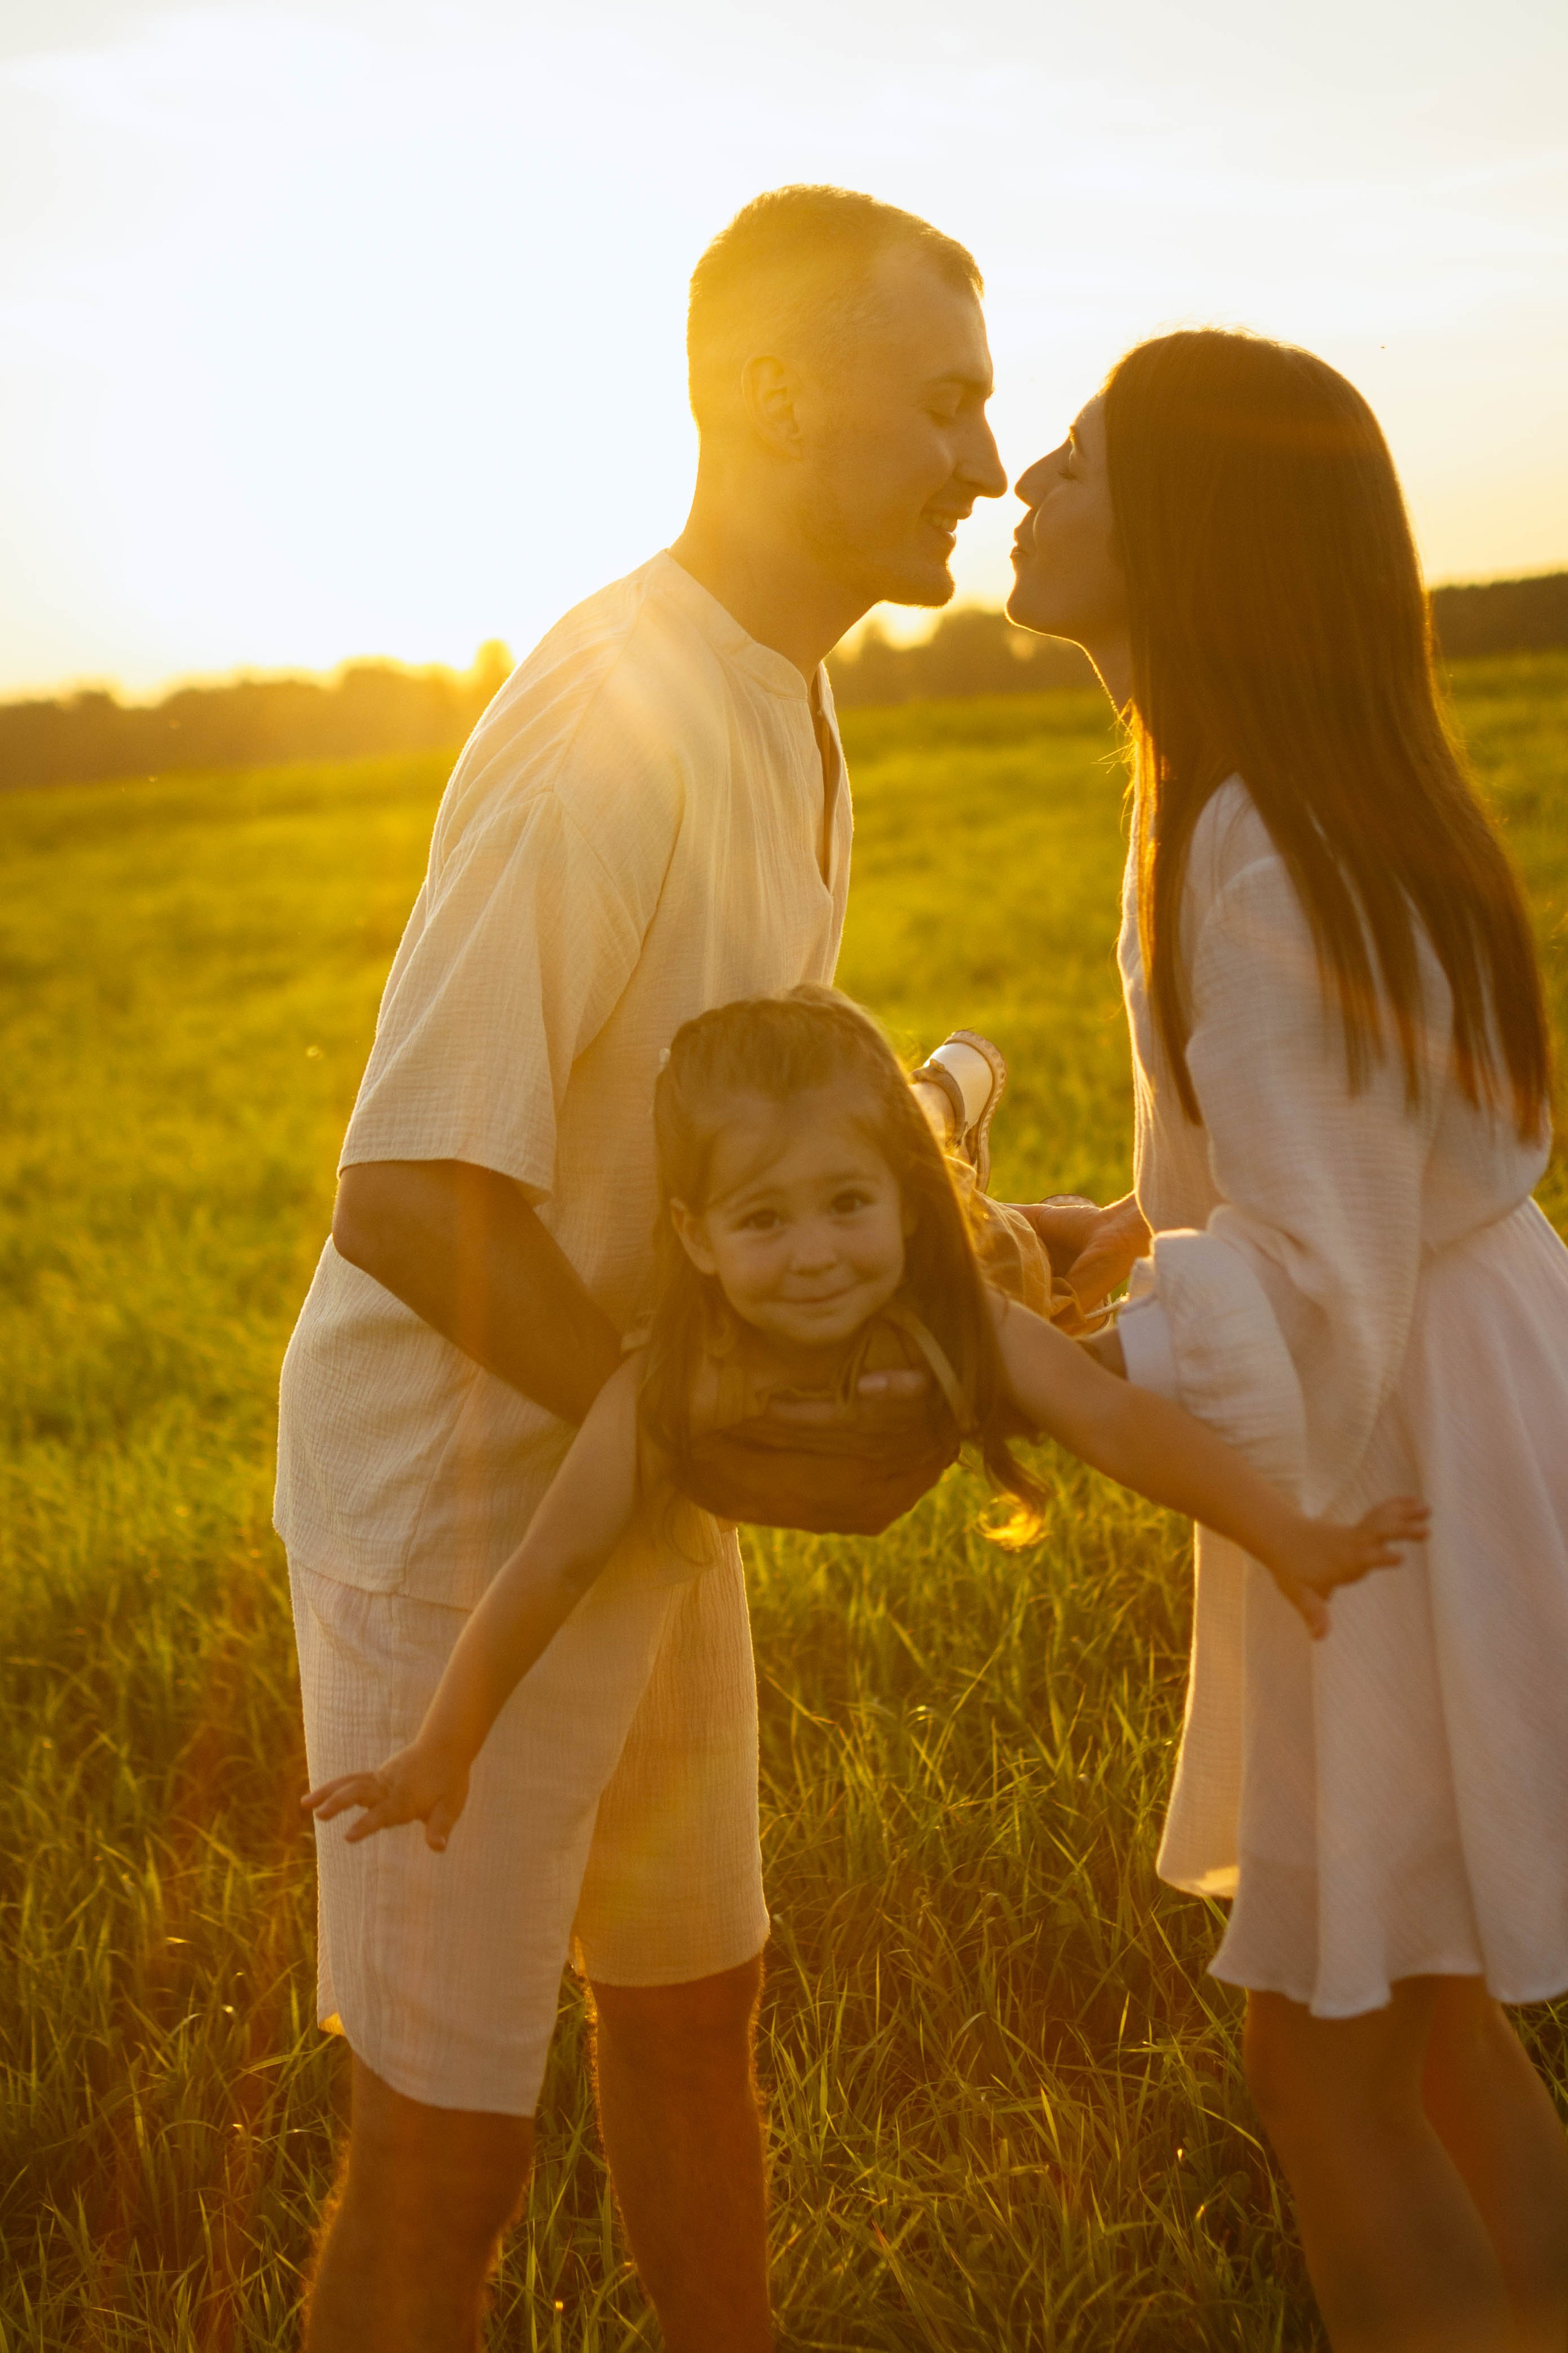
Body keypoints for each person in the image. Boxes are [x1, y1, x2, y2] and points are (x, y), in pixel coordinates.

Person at [273, 184, 1015, 2353]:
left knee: (699, 2011)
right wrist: (722, 1417)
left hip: (632, 1484)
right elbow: (405, 1186)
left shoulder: (784, 694)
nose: (984, 459)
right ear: (771, 394)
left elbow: (726, 1151)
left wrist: (958, 1255)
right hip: (465, 1524)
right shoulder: (610, 710)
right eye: (948, 403)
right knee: (445, 2148)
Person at [1008, 327, 1568, 2353]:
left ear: (1190, 531)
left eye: (1072, 459)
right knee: (1421, 2022)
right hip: (1435, 1397)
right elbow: (1282, 1193)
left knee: (1327, 2059)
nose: (1020, 488)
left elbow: (1319, 1297)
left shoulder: (1259, 848)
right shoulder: (1240, 801)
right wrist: (1104, 1241)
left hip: (1392, 1450)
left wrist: (1055, 1369)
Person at [300, 985, 1424, 1853]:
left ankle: (964, 1121)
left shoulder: (959, 1303)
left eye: (846, 1206)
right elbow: (551, 1563)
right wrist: (442, 1748)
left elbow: (1110, 1420)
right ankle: (942, 1095)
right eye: (763, 1221)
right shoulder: (665, 1382)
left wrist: (1285, 1533)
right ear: (693, 1238)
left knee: (1024, 1243)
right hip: (912, 1196)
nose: (815, 1256)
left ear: (885, 1203)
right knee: (914, 1126)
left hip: (977, 1238)